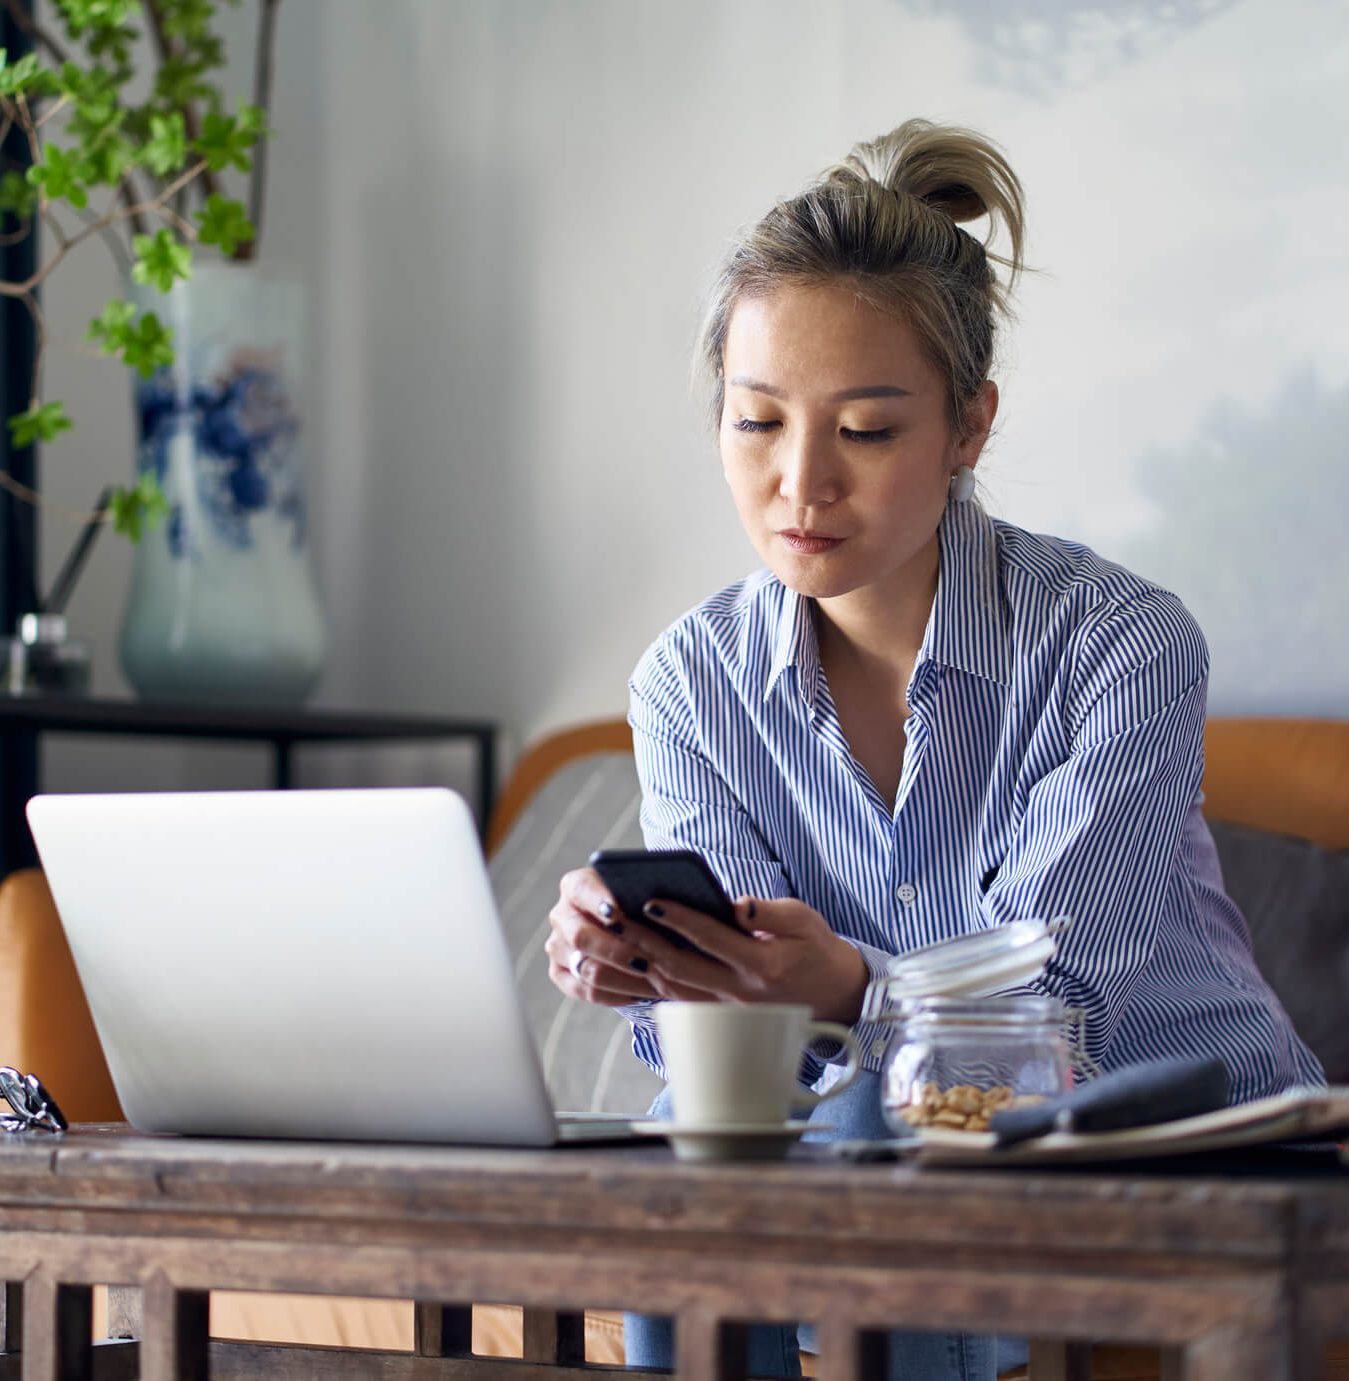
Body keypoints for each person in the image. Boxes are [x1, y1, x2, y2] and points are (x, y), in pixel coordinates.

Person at [545, 118, 1325, 1381]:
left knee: (880, 1114)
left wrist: (848, 988)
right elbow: (744, 1043)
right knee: (709, 1121)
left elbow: (1050, 1011)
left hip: (1181, 1157)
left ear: (969, 427)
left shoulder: (1122, 644)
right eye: (756, 423)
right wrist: (649, 968)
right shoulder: (689, 680)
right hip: (868, 1153)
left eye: (864, 431)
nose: (801, 485)